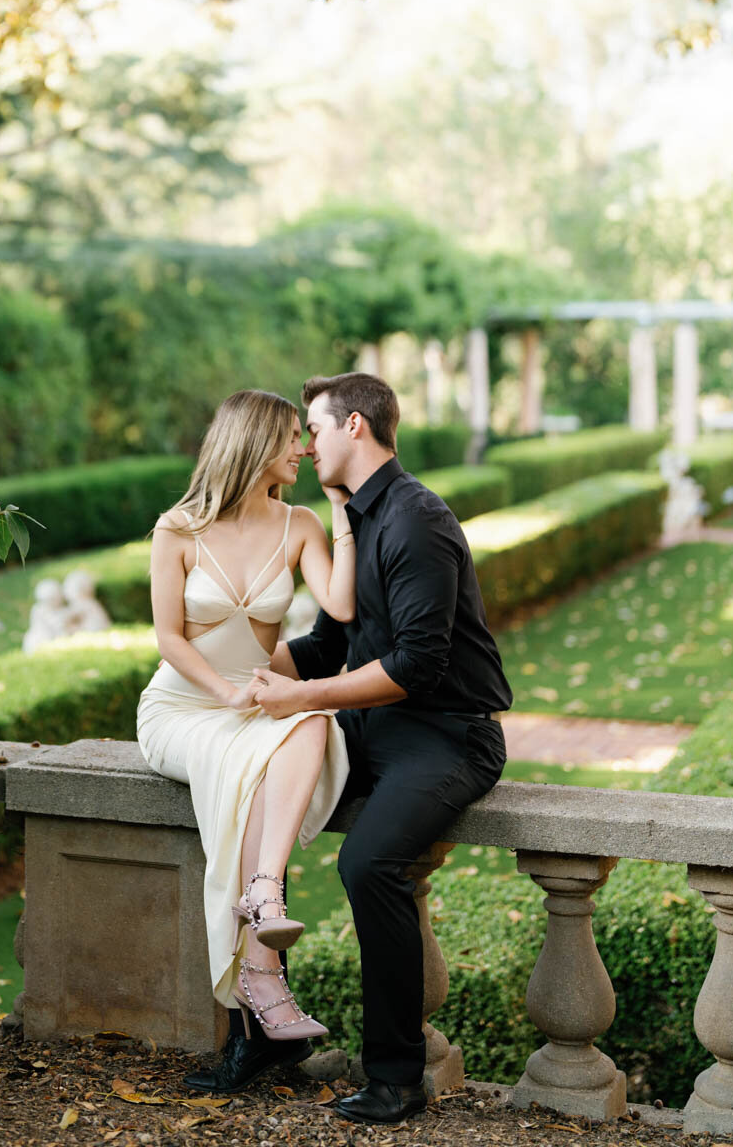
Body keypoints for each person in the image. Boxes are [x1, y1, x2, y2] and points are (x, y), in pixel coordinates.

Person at [239, 371, 514, 1125]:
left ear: (354, 427)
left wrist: (300, 698)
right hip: (374, 725)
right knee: (249, 792)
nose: (303, 443)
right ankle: (259, 1027)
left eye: (314, 428)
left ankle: (395, 1078)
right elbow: (332, 639)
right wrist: (230, 674)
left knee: (368, 863)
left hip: (448, 734)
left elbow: (417, 664)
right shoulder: (356, 515)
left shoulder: (415, 517)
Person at [137, 388, 354, 1080]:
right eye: (292, 436)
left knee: (314, 717)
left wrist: (342, 508)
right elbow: (170, 639)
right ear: (256, 442)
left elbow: (340, 604)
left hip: (252, 705)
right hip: (182, 709)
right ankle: (259, 981)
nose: (304, 447)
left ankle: (263, 894)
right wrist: (226, 692)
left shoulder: (299, 524)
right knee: (251, 765)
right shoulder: (176, 529)